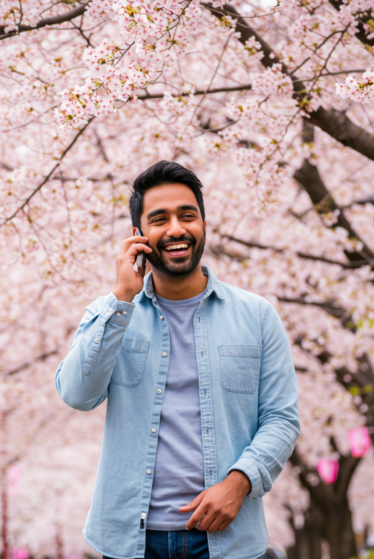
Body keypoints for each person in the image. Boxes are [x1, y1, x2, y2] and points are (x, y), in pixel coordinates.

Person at [55, 161, 301, 559]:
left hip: (228, 539)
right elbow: (77, 394)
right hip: (129, 542)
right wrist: (121, 300)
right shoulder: (111, 313)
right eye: (159, 219)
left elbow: (281, 418)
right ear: (139, 236)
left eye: (187, 216)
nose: (175, 229)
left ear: (204, 223)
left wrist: (239, 483)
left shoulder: (257, 316)